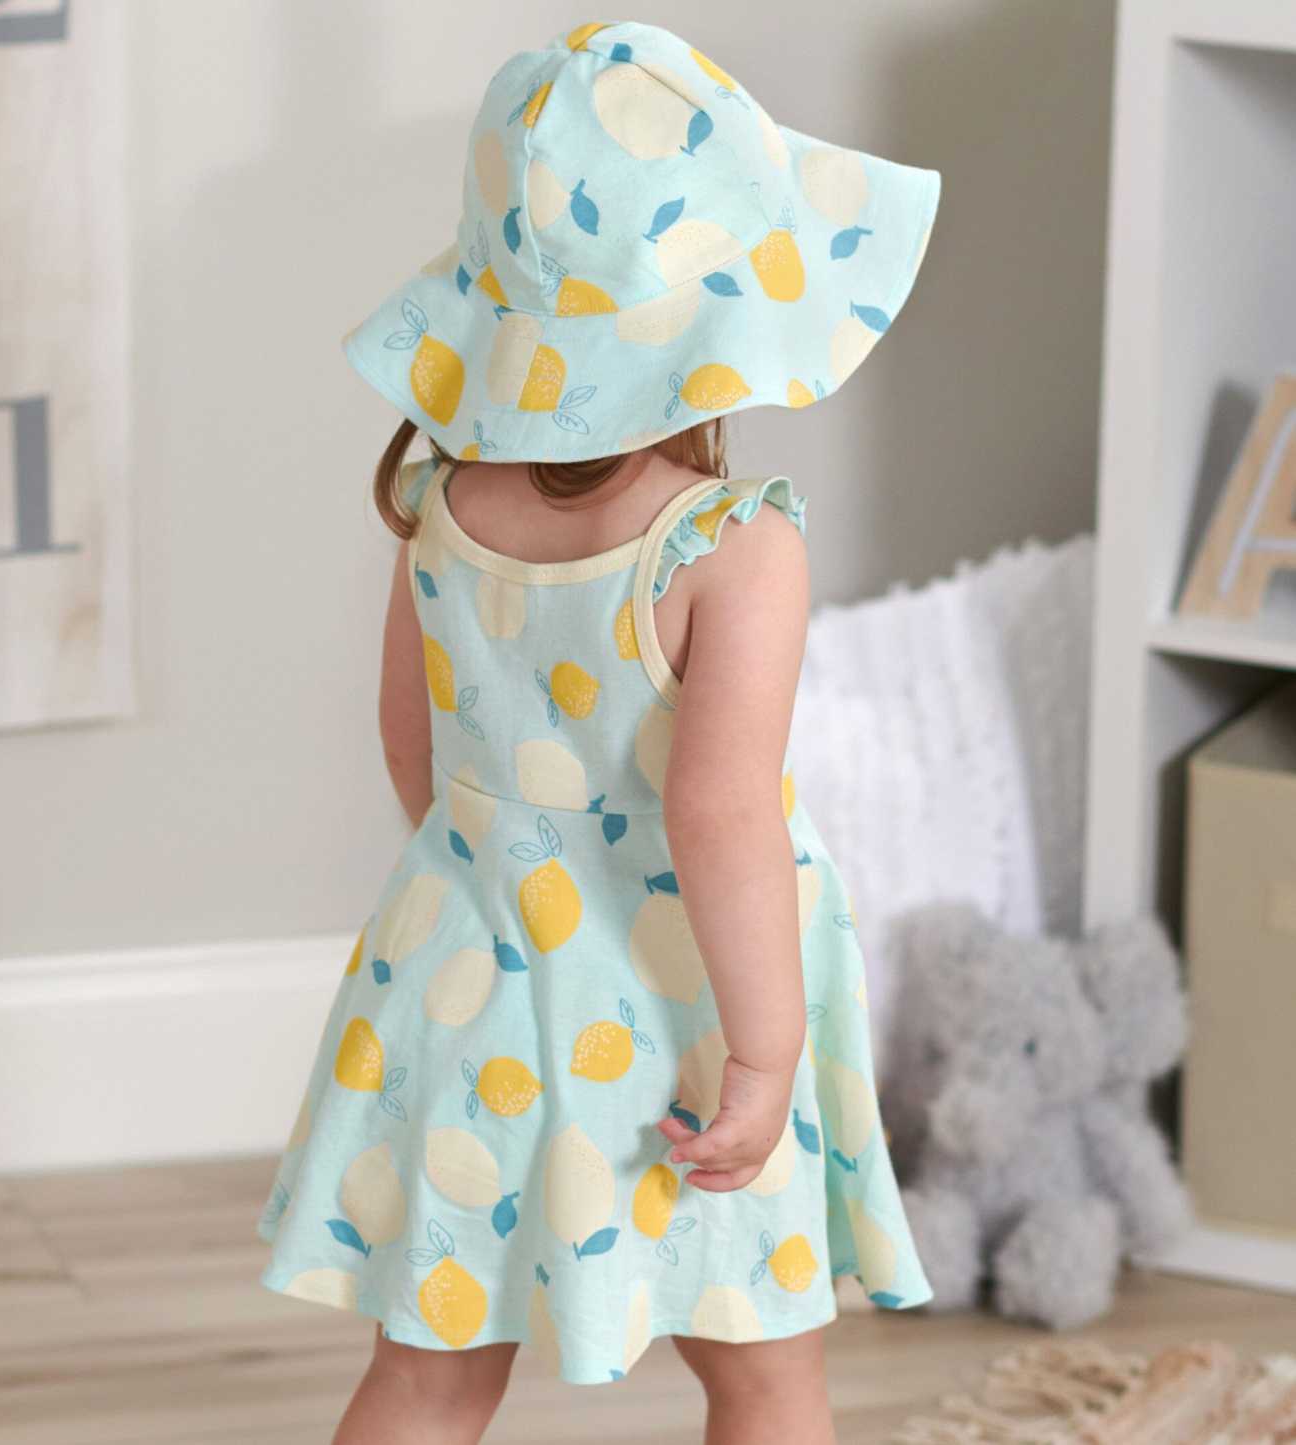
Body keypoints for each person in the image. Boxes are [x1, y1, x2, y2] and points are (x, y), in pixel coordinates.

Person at [256, 20, 941, 1444]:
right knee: (764, 1368)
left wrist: (497, 894)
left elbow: (410, 740)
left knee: (430, 1372)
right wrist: (762, 1053)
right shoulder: (733, 548)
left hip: (469, 970)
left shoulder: (442, 507)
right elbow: (718, 812)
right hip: (689, 1001)